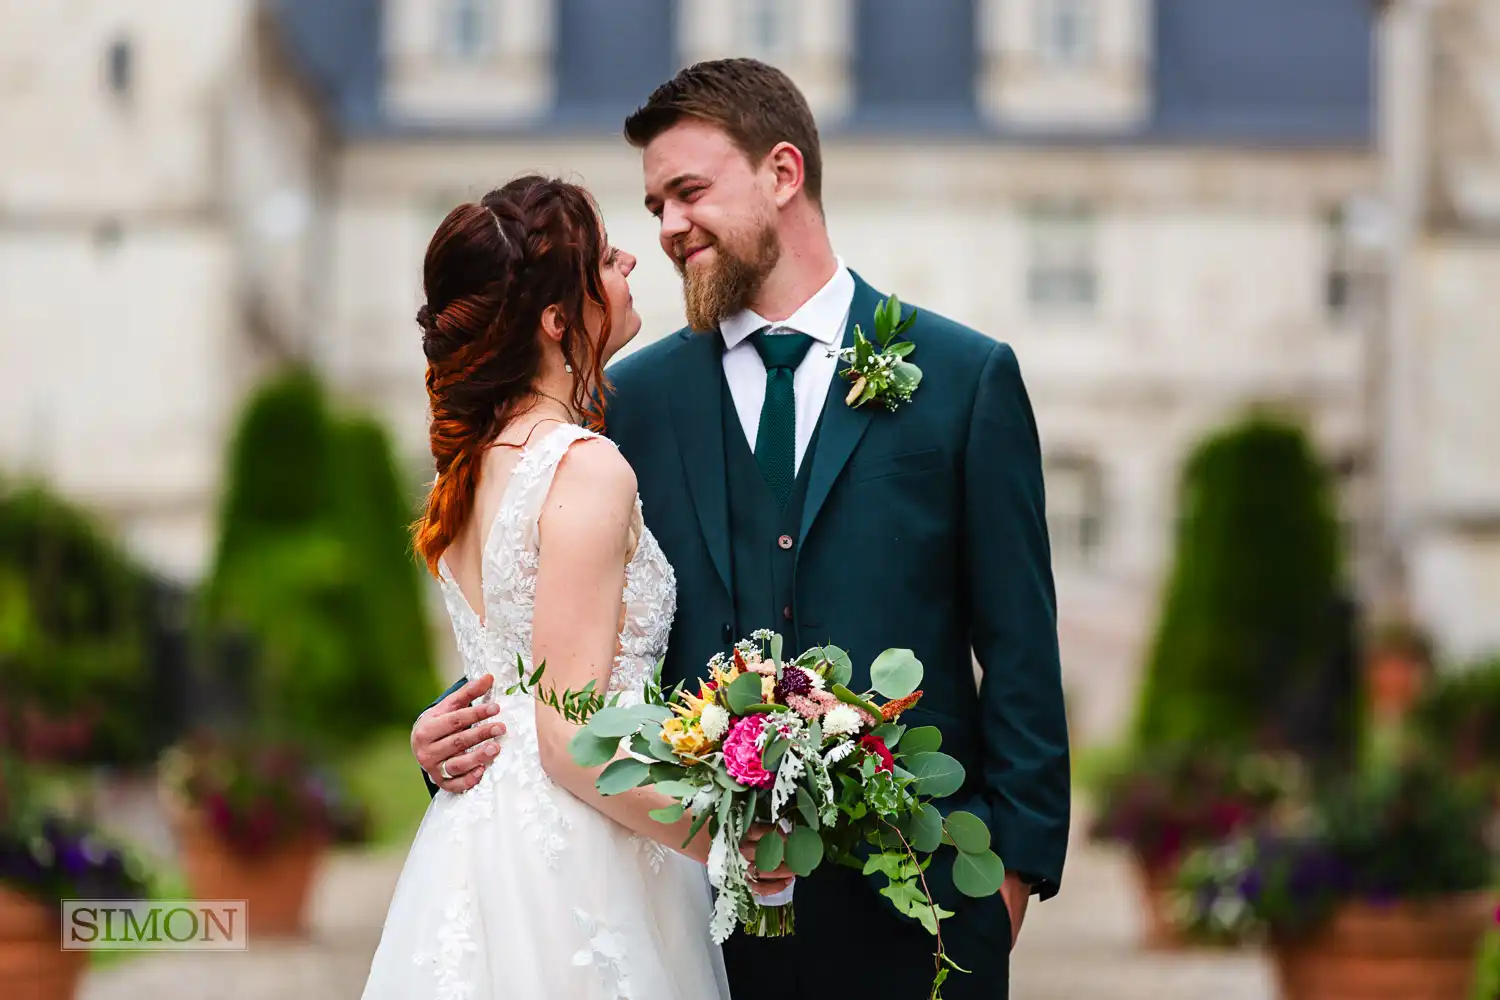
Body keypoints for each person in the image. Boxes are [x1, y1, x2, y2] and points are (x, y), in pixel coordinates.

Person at [411, 59, 1072, 999]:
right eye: (654, 208)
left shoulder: (966, 381)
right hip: (696, 920)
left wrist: (1006, 885)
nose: (668, 230)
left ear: (783, 174)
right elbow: (558, 632)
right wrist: (454, 737)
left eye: (688, 192)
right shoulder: (621, 404)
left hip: (919, 914)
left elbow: (1020, 649)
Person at [360, 176, 760, 1000]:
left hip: (477, 839)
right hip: (578, 852)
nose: (626, 262)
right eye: (603, 256)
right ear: (556, 321)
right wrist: (731, 839)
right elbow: (571, 737)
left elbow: (512, 689)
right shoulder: (583, 466)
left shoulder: (471, 470)